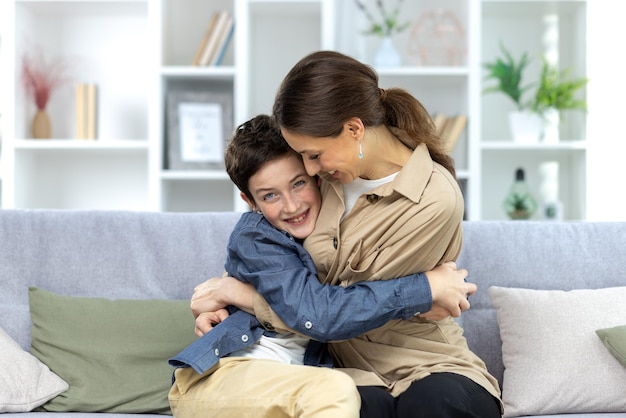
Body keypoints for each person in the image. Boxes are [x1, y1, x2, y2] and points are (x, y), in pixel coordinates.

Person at [192, 50, 503, 417]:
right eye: (302, 156)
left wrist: (247, 296)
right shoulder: (319, 181)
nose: (308, 169)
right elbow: (304, 289)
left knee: (431, 404)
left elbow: (326, 310)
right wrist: (424, 291)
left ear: (354, 129)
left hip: (426, 365)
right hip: (342, 372)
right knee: (349, 405)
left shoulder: (434, 198)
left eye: (314, 155)